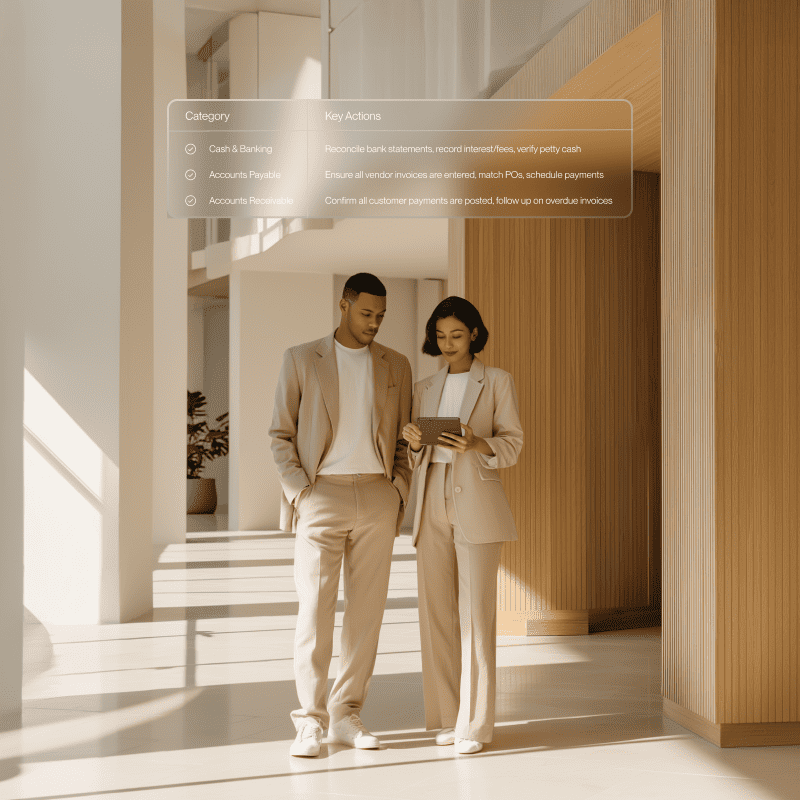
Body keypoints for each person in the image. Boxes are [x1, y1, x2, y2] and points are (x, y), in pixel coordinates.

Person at [270, 272, 412, 758]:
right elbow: (279, 434)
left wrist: (397, 489)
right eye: (366, 313)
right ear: (344, 305)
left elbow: (401, 439)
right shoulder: (301, 358)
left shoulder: (397, 364)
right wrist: (300, 493)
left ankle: (347, 714)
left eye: (381, 316)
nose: (374, 323)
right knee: (315, 608)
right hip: (320, 495)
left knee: (366, 615)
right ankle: (309, 721)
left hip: (376, 495)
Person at [402, 296, 523, 754]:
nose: (447, 343)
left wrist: (477, 443)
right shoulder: (424, 387)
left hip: (475, 502)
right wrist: (414, 441)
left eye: (456, 334)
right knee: (436, 616)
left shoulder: (496, 382)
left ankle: (475, 725)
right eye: (440, 336)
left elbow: (513, 445)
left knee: (475, 619)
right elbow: (417, 455)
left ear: (474, 333)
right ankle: (446, 717)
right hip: (431, 499)